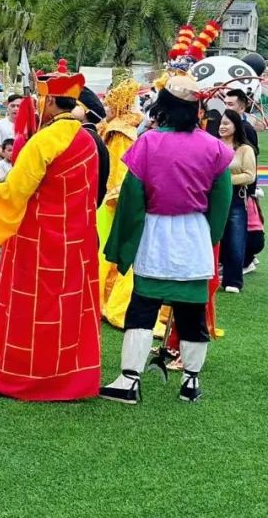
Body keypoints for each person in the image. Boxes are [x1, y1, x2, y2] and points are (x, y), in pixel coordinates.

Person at [100, 75, 233, 404]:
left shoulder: (147, 143)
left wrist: (124, 243)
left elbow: (131, 198)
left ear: (164, 107)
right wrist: (207, 237)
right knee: (192, 312)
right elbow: (222, 201)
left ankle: (129, 381)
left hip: (156, 233)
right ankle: (191, 382)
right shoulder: (214, 147)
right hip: (195, 234)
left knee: (143, 308)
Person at [0, 61, 102, 401]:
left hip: (37, 238)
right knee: (66, 310)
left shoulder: (44, 141)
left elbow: (12, 192)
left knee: (31, 309)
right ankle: (68, 378)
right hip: (76, 239)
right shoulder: (87, 139)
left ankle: (22, 377)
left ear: (50, 102)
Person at [97, 79, 144, 328]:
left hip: (114, 200)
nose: (105, 108)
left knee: (108, 251)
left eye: (109, 104)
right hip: (115, 198)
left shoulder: (119, 133)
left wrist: (115, 196)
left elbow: (120, 171)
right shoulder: (121, 129)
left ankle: (106, 300)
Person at [216, 109, 256, 293]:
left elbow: (250, 175)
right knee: (212, 237)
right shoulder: (213, 144)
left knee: (235, 239)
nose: (222, 126)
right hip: (213, 197)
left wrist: (225, 180)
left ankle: (233, 280)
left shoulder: (244, 149)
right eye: (221, 123)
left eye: (226, 123)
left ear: (236, 126)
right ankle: (209, 276)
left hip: (235, 198)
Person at [224, 89, 259, 156]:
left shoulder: (247, 128)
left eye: (230, 104)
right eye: (225, 103)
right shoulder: (222, 125)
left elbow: (252, 155)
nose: (226, 107)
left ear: (242, 108)